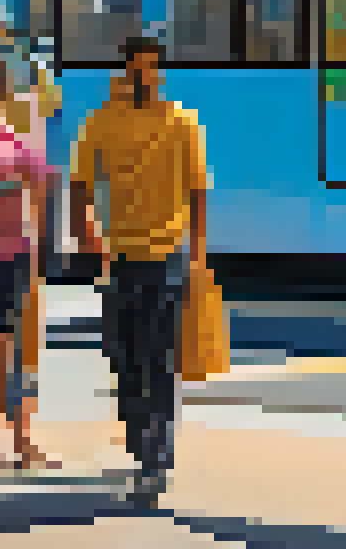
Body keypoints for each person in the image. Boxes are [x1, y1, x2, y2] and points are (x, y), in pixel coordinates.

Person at [69, 36, 211, 506]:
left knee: (160, 359)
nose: (144, 77)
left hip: (167, 257)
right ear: (124, 72)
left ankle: (156, 457)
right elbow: (79, 184)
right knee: (124, 359)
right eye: (137, 69)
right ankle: (140, 442)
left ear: (161, 74)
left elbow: (198, 191)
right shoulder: (104, 123)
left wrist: (198, 256)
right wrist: (88, 237)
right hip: (120, 259)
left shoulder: (181, 123)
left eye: (152, 69)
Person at [0, 53, 55, 470]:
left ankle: (8, 438)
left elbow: (41, 182)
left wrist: (34, 242)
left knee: (5, 349)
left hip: (6, 256)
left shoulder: (10, 141)